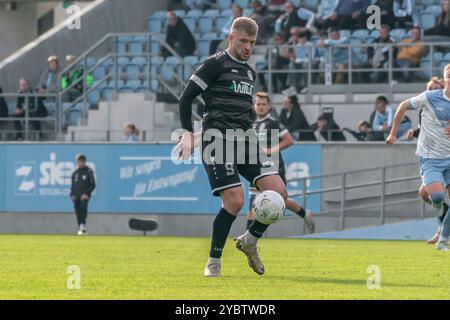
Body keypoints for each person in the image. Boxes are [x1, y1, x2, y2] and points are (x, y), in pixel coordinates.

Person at [177, 17, 288, 277]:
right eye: (244, 41)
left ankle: (249, 241)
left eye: (252, 43)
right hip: (217, 141)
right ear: (231, 38)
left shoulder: (250, 73)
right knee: (235, 202)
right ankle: (213, 261)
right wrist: (187, 133)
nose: (248, 47)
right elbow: (186, 98)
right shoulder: (214, 65)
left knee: (279, 193)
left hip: (246, 140)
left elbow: (238, 111)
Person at [386, 64, 450, 251]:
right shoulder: (430, 98)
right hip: (431, 158)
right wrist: (392, 133)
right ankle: (442, 220)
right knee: (436, 197)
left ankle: (443, 239)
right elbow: (403, 106)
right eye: (449, 74)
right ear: (445, 78)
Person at [246, 92, 315, 232]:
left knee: (279, 201)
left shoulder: (273, 122)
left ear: (269, 106)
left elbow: (289, 140)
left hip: (274, 167)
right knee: (253, 204)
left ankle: (304, 213)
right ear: (254, 106)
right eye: (258, 104)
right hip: (255, 167)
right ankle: (248, 239)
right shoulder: (249, 123)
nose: (261, 107)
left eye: (264, 104)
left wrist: (271, 150)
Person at [405, 77, 449, 244]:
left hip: (445, 157)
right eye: (431, 88)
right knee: (426, 194)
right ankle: (443, 227)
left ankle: (443, 231)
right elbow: (426, 129)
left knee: (435, 196)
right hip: (432, 158)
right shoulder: (425, 106)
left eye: (437, 88)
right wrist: (413, 134)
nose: (433, 91)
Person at [70, 154, 96, 235]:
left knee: (83, 207)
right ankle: (80, 228)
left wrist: (86, 193)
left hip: (84, 196)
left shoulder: (89, 171)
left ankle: (82, 225)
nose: (79, 163)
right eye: (78, 161)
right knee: (77, 211)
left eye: (81, 161)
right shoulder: (75, 173)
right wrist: (72, 194)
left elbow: (93, 184)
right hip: (76, 195)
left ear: (84, 162)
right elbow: (73, 186)